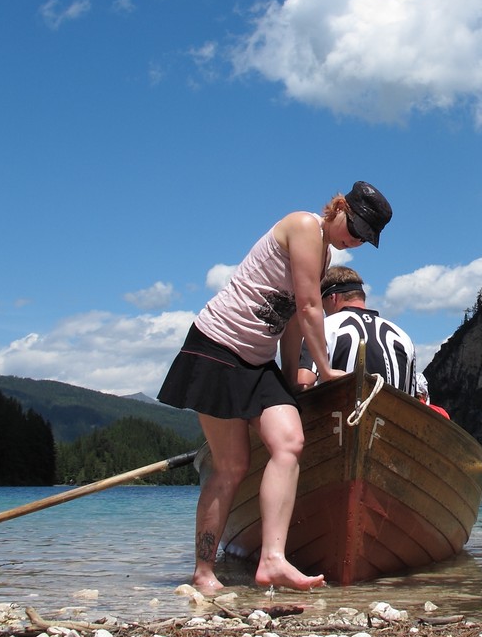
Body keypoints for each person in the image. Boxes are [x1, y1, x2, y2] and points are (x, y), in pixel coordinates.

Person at [158, 181, 393, 595]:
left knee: (289, 441)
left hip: (256, 362)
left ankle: (272, 560)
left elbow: (288, 324)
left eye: (363, 237)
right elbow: (307, 307)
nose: (353, 238)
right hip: (218, 347)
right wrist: (324, 369)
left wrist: (289, 384)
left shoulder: (321, 258)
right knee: (231, 465)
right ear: (339, 207)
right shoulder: (304, 226)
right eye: (354, 226)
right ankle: (203, 572)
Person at [297, 265, 417, 394]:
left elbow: (304, 381)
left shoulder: (324, 327)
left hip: (341, 410)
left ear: (333, 298)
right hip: (392, 413)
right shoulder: (403, 337)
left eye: (323, 304)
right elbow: (411, 397)